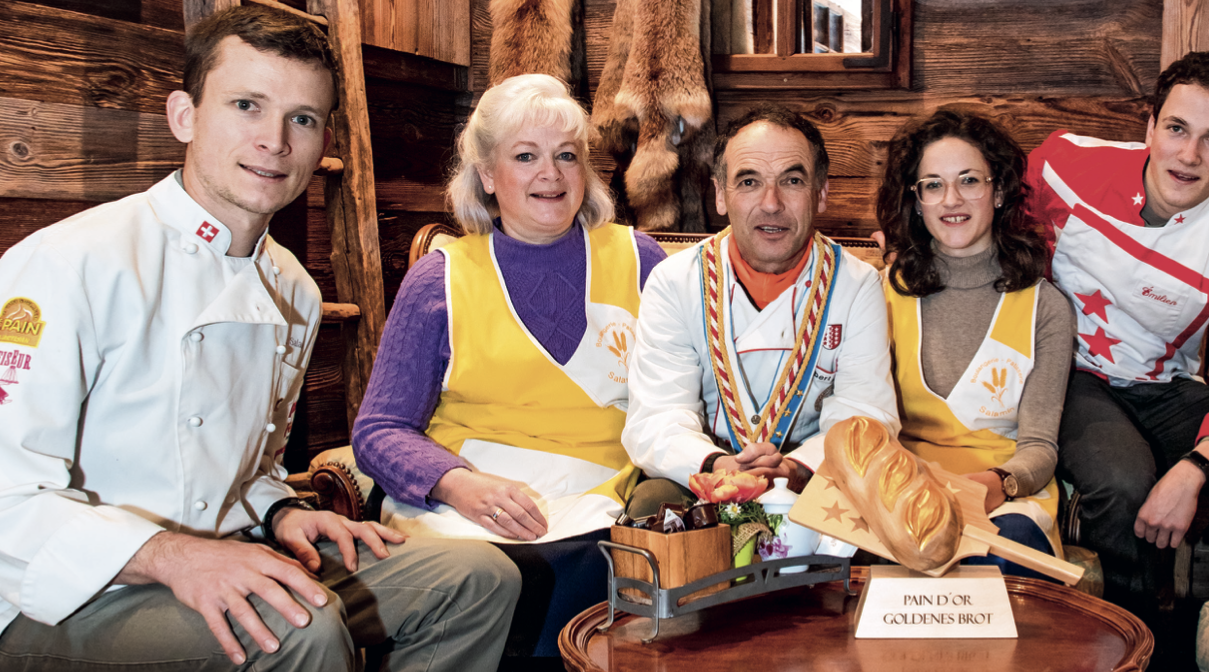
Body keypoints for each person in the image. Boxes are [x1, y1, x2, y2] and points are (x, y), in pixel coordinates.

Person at [0, 7, 520, 671]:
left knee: (476, 580)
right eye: (247, 105)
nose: (274, 140)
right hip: (71, 593)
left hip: (237, 548)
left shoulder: (294, 288)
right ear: (184, 116)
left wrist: (280, 514)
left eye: (301, 118)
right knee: (299, 628)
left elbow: (248, 468)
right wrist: (169, 555)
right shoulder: (69, 264)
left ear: (322, 137)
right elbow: (7, 500)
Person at [351, 73, 667, 659]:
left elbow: (681, 398)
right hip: (461, 502)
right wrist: (457, 484)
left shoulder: (642, 261)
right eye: (526, 156)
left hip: (593, 502)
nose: (550, 174)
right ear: (488, 175)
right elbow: (377, 431)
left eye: (566, 156)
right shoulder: (439, 278)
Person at [1021, 51, 1209, 612]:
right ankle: (1127, 636)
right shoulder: (1064, 163)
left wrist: (1196, 467)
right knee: (1123, 481)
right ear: (1150, 125)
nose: (1188, 156)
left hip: (1160, 386)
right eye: (1177, 128)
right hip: (1065, 372)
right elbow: (979, 205)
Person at [623, 104, 899, 533]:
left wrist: (795, 468)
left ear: (821, 193)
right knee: (651, 502)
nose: (771, 204)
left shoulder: (857, 284)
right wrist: (716, 464)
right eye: (749, 182)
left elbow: (865, 415)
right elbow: (657, 416)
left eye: (791, 181)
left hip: (811, 478)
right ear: (720, 194)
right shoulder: (675, 281)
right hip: (706, 477)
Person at [877, 110, 1077, 579]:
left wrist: (998, 484)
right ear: (916, 199)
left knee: (1005, 550)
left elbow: (1040, 447)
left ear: (1000, 191)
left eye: (969, 180)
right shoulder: (882, 292)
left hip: (1005, 497)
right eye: (932, 185)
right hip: (905, 491)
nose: (951, 200)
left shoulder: (1044, 307)